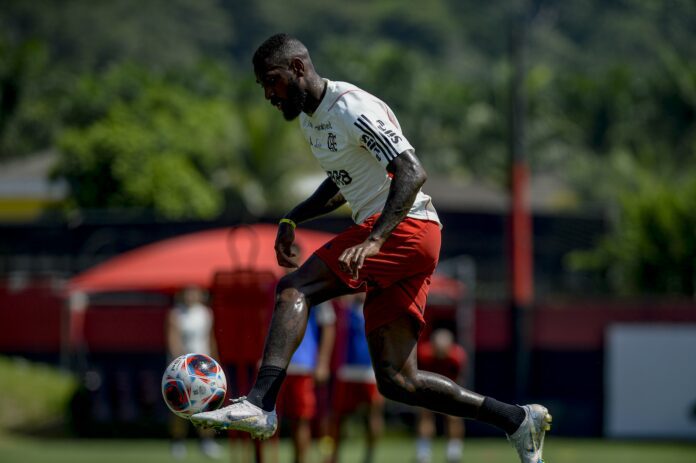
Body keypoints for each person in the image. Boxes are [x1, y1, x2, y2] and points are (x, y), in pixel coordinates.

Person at [192, 33, 551, 463]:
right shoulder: (312, 119)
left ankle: (262, 403)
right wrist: (293, 218)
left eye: (272, 81)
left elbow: (411, 172)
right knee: (399, 382)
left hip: (407, 228)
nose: (269, 94)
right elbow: (342, 185)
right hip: (402, 235)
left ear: (298, 69)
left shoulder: (350, 107)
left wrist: (376, 238)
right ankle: (516, 419)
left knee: (295, 288)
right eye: (263, 87)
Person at [277, 245, 337, 463]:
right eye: (286, 259)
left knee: (301, 420)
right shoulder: (275, 286)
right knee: (266, 421)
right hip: (275, 366)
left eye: (293, 258)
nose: (289, 264)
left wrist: (322, 362)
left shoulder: (313, 287)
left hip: (303, 364)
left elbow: (329, 325)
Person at [324, 293, 384, 463]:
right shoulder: (344, 309)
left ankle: (370, 456)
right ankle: (334, 456)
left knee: (371, 415)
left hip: (370, 371)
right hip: (346, 369)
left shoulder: (376, 309)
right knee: (339, 416)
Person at [166, 285, 221, 460]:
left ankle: (206, 442)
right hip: (181, 370)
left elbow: (211, 339)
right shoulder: (175, 314)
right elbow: (173, 340)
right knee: (180, 407)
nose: (191, 295)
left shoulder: (206, 313)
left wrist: (213, 365)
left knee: (205, 407)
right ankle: (177, 442)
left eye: (193, 292)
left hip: (203, 370)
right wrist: (184, 366)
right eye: (187, 292)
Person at [415, 329, 468, 463]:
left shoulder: (457, 356)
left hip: (450, 388)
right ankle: (423, 453)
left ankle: (453, 453)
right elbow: (417, 375)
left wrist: (455, 398)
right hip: (427, 387)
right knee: (425, 415)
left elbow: (459, 378)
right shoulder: (423, 353)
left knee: (454, 417)